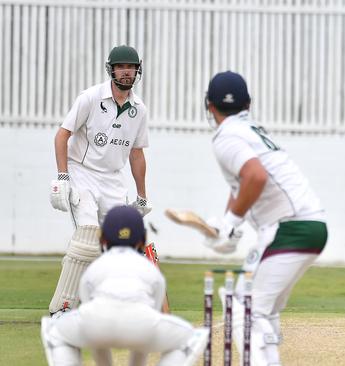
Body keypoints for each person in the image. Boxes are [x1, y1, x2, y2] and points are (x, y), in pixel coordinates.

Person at [202, 71, 328, 365]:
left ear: (209, 105)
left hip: (289, 228)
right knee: (264, 311)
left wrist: (232, 223)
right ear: (248, 102)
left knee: (243, 309)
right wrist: (226, 225)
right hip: (312, 225)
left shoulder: (226, 137)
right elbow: (243, 183)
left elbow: (254, 177)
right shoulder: (252, 129)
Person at [48, 45, 152, 318]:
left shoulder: (139, 109)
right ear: (112, 69)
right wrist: (62, 177)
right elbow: (62, 135)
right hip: (82, 171)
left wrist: (142, 197)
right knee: (87, 234)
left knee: (121, 242)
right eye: (121, 67)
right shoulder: (91, 98)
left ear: (137, 71)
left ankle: (109, 306)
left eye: (131, 67)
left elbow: (137, 153)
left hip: (113, 179)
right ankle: (63, 308)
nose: (126, 72)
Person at [40, 206, 209, 366]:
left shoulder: (94, 268)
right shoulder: (150, 270)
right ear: (143, 239)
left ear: (102, 238)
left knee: (54, 331)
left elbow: (91, 316)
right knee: (193, 338)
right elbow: (151, 318)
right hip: (141, 324)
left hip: (97, 323)